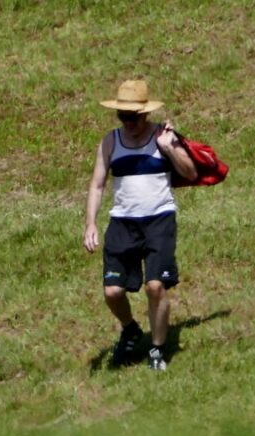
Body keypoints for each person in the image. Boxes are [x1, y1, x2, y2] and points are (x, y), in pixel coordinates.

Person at [83, 79, 198, 371]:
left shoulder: (163, 135)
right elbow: (97, 185)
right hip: (122, 222)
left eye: (133, 116)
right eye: (123, 116)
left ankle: (157, 349)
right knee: (112, 291)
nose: (128, 122)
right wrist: (90, 224)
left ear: (145, 113)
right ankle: (131, 328)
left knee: (155, 286)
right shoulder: (110, 141)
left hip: (159, 219)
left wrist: (170, 148)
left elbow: (191, 172)